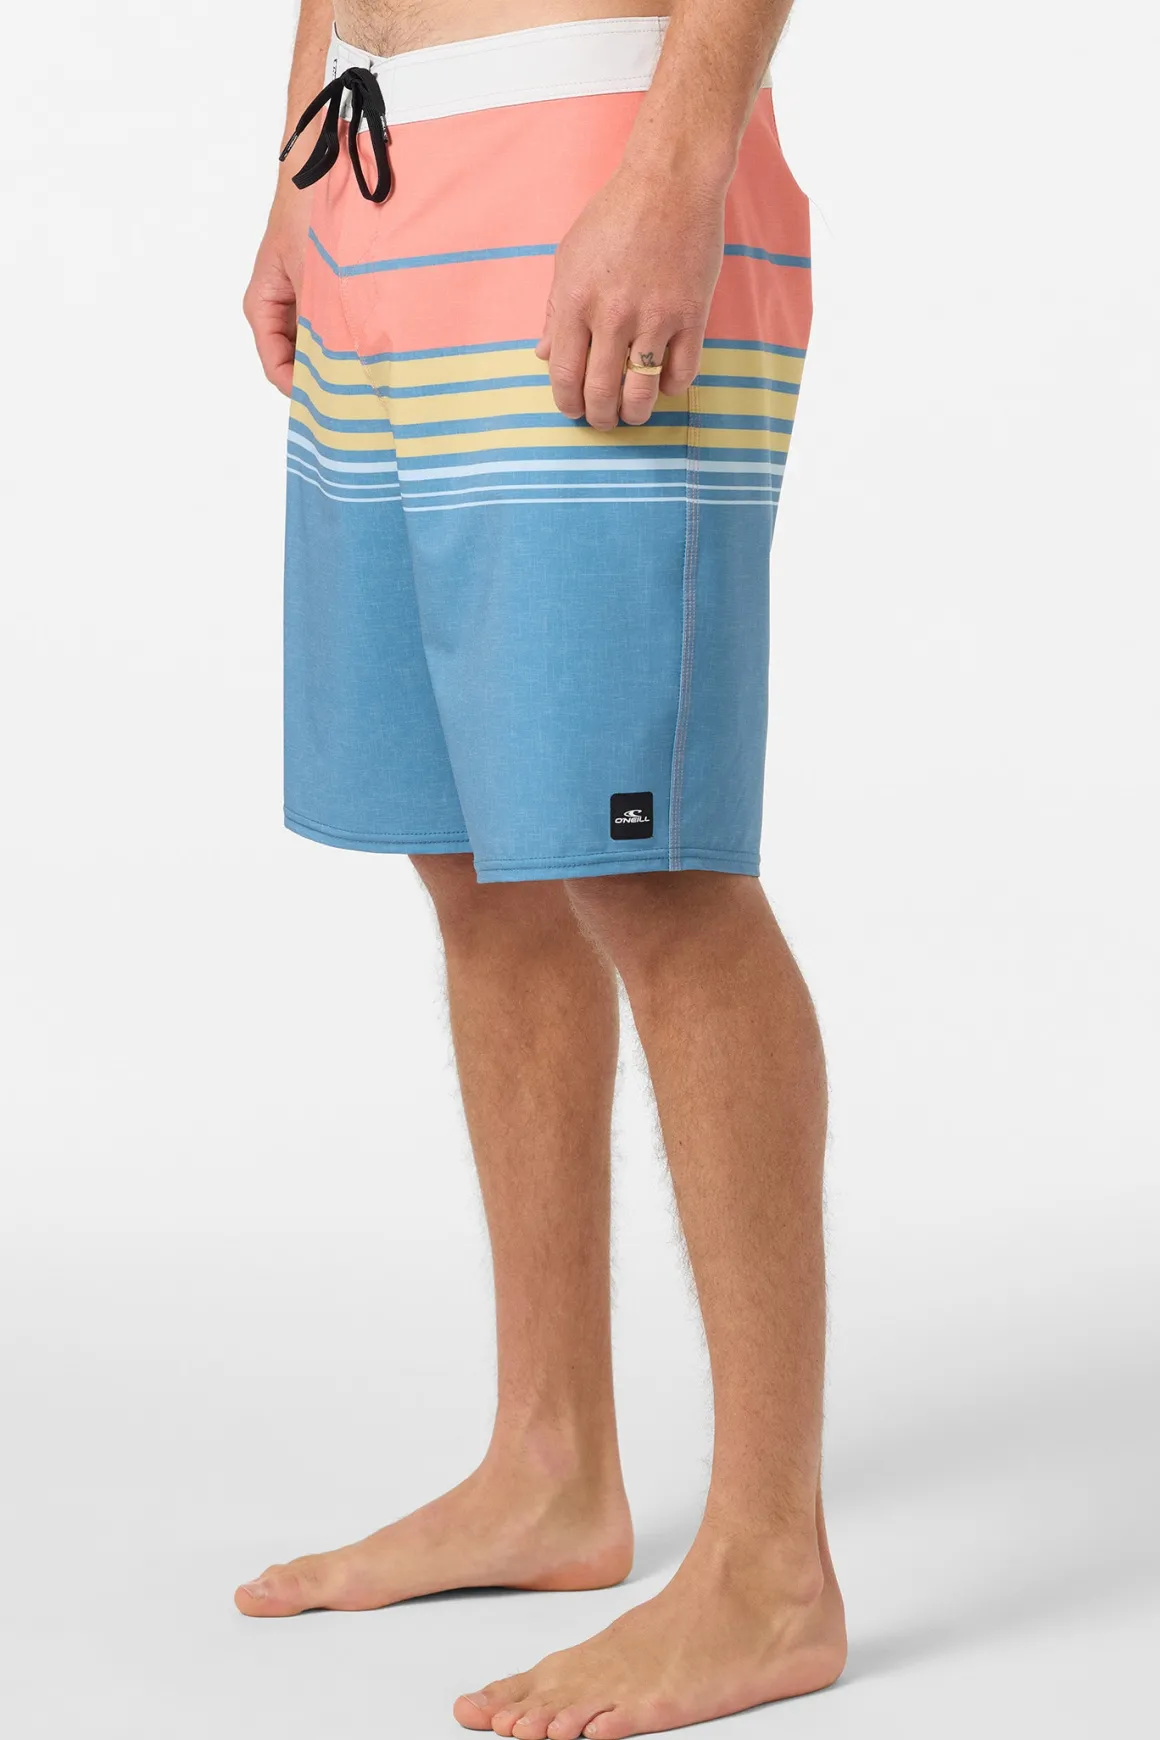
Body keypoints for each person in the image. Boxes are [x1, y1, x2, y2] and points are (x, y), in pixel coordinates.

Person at [237, 0, 845, 1731]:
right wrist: (297, 166)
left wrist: (679, 160)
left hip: (596, 145)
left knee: (654, 868)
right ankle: (550, 1465)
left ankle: (772, 1570)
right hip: (375, 160)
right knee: (472, 861)